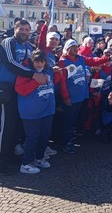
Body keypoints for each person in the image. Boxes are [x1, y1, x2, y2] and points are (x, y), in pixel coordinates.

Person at [0, 19, 48, 174]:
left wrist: (47, 69)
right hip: (6, 90)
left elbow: (38, 57)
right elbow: (10, 62)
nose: (24, 32)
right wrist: (33, 74)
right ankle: (1, 162)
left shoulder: (28, 46)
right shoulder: (7, 42)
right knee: (5, 127)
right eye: (21, 29)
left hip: (21, 91)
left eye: (27, 29)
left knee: (15, 126)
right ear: (15, 29)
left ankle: (10, 156)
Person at [15, 50, 67, 174]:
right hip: (31, 112)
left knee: (44, 136)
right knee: (32, 138)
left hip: (47, 111)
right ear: (32, 61)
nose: (39, 64)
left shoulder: (48, 70)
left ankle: (39, 158)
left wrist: (58, 75)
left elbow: (51, 85)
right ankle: (26, 164)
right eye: (37, 61)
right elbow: (20, 90)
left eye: (42, 61)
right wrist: (35, 81)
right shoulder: (25, 72)